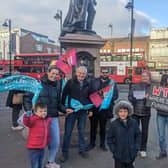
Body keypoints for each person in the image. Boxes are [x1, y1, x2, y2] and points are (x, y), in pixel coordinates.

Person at [24, 66, 71, 168]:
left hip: (52, 116)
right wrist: (30, 112)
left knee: (55, 141)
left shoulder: (57, 85)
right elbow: (27, 98)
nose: (54, 76)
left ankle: (50, 162)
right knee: (39, 142)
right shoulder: (38, 83)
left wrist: (64, 109)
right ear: (47, 72)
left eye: (56, 74)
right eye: (52, 73)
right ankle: (37, 164)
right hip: (39, 118)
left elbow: (58, 102)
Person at [60, 66, 93, 162]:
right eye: (80, 73)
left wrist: (90, 109)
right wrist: (65, 109)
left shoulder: (88, 83)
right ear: (76, 73)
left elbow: (90, 97)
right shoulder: (70, 82)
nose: (81, 75)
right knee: (68, 133)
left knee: (82, 132)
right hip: (72, 111)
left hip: (82, 111)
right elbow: (64, 96)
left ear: (86, 75)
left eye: (83, 73)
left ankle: (82, 150)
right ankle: (64, 153)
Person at [86, 68, 119, 151]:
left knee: (103, 128)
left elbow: (115, 95)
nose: (104, 74)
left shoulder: (112, 83)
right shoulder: (94, 81)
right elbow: (89, 93)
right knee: (93, 127)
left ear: (108, 73)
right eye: (103, 72)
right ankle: (92, 143)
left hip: (105, 109)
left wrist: (106, 100)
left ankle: (102, 144)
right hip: (94, 108)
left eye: (106, 72)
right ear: (100, 73)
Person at [107, 100, 141, 168]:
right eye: (121, 111)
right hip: (119, 155)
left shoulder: (133, 123)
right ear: (117, 112)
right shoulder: (114, 124)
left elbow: (138, 135)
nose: (123, 113)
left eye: (125, 111)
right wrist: (114, 150)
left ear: (128, 112)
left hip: (131, 154)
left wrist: (136, 148)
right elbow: (109, 138)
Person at [128, 70, 151, 158]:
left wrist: (149, 99)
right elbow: (129, 97)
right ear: (141, 77)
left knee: (145, 132)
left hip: (146, 112)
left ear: (149, 77)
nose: (145, 77)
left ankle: (143, 149)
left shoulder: (152, 87)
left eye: (146, 76)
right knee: (134, 131)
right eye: (143, 76)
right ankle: (134, 147)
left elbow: (155, 100)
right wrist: (134, 98)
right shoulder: (135, 86)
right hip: (135, 112)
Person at [23, 103, 51, 168]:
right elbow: (27, 122)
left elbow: (47, 133)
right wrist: (26, 116)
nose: (43, 113)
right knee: (35, 164)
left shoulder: (47, 120)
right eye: (40, 111)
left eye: (45, 111)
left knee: (41, 163)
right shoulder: (33, 119)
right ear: (35, 112)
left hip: (42, 147)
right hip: (33, 148)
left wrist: (48, 142)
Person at [155, 75, 168, 159]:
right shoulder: (159, 89)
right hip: (161, 114)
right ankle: (163, 151)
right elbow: (154, 101)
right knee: (161, 136)